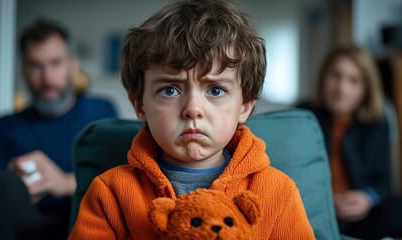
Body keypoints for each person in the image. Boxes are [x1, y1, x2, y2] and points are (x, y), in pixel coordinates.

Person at [69, 0, 315, 239]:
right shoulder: (110, 192)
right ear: (140, 105)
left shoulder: (278, 192)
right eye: (170, 90)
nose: (193, 109)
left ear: (245, 106)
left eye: (216, 90)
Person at [0, 20, 117, 240]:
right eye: (35, 66)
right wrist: (14, 179)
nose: (47, 78)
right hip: (26, 223)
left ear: (73, 65)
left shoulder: (100, 111)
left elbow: (118, 179)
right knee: (4, 183)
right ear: (24, 71)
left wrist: (62, 182)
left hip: (82, 221)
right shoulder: (7, 124)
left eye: (55, 63)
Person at [299, 45, 402, 239]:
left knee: (399, 209)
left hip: (360, 213)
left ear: (366, 89)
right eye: (335, 76)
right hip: (315, 208)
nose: (342, 88)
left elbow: (384, 181)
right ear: (323, 78)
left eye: (354, 81)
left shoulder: (377, 123)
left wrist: (367, 197)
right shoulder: (302, 115)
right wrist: (323, 200)